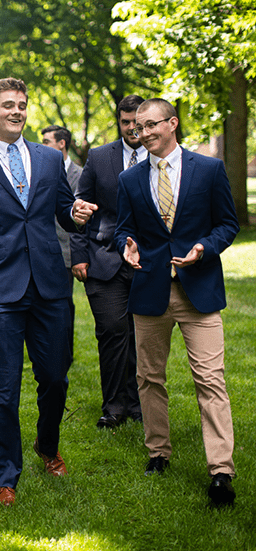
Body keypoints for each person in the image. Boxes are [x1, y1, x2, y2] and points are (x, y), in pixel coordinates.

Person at [0, 78, 96, 507]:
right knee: (5, 387)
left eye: (22, 104)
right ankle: (5, 475)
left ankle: (47, 447)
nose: (17, 111)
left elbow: (64, 214)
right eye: (8, 105)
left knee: (54, 376)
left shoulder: (50, 160)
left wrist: (77, 213)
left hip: (50, 283)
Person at [114, 98, 239, 506]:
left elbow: (228, 224)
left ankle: (220, 470)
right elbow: (123, 230)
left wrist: (205, 246)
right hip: (150, 292)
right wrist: (126, 246)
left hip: (198, 291)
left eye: (151, 125)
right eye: (138, 127)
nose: (144, 132)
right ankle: (158, 453)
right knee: (150, 378)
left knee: (211, 380)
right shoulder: (130, 179)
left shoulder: (209, 169)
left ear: (172, 123)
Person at [71, 95, 145, 429]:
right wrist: (79, 255)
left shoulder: (163, 156)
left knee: (143, 335)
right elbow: (79, 209)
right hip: (103, 259)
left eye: (137, 122)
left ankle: (142, 403)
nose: (131, 128)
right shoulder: (100, 157)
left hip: (149, 262)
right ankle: (115, 405)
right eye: (125, 122)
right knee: (113, 331)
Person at [41, 125, 82, 357]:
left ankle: (65, 351)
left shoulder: (80, 174)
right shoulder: (43, 170)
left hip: (66, 251)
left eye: (47, 141)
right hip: (44, 249)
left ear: (61, 144)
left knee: (64, 303)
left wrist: (77, 256)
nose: (43, 145)